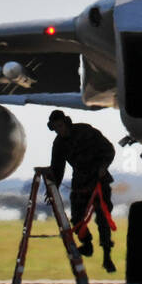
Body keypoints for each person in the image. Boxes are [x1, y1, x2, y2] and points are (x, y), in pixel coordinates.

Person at [47, 110, 118, 274]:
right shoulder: (59, 143)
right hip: (80, 182)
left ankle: (107, 257)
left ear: (66, 123)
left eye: (60, 126)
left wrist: (102, 167)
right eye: (55, 128)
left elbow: (108, 149)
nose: (59, 130)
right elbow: (57, 168)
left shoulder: (86, 131)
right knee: (77, 218)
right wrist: (53, 188)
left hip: (99, 180)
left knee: (103, 219)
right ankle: (87, 245)